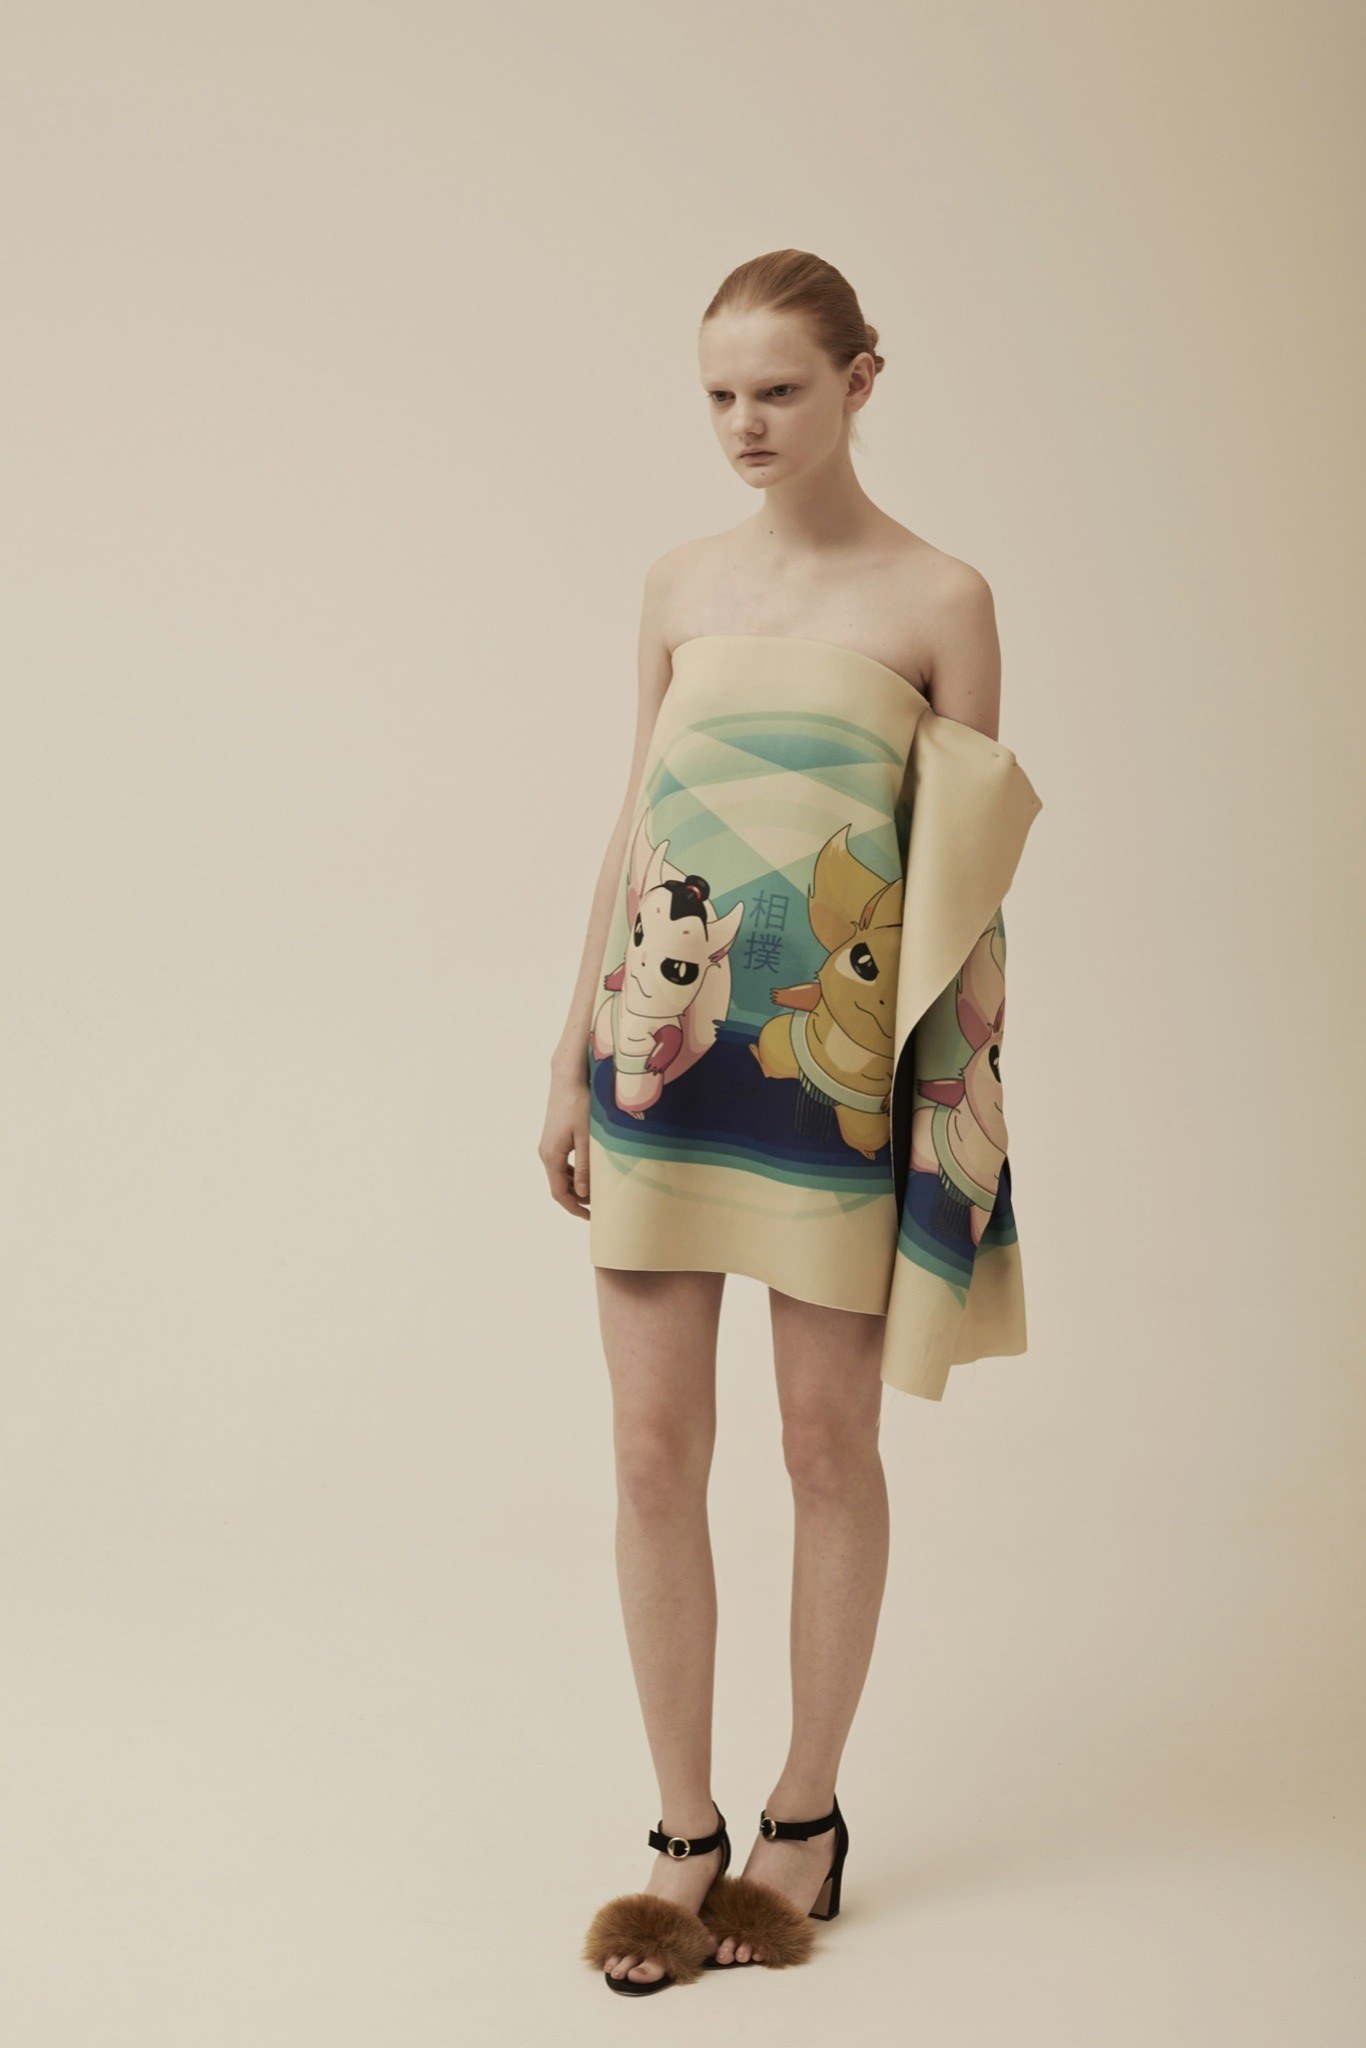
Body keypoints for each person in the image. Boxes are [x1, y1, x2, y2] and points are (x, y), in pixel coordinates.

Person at [540, 248, 1024, 1995]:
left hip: (833, 1081)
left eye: (780, 391)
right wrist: (565, 1051)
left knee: (825, 1450)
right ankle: (681, 1835)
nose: (744, 424)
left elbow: (962, 889)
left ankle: (801, 1819)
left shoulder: (940, 598)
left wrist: (937, 1120)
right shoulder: (679, 583)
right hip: (657, 1063)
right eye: (719, 396)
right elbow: (636, 824)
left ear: (860, 384)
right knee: (648, 1451)